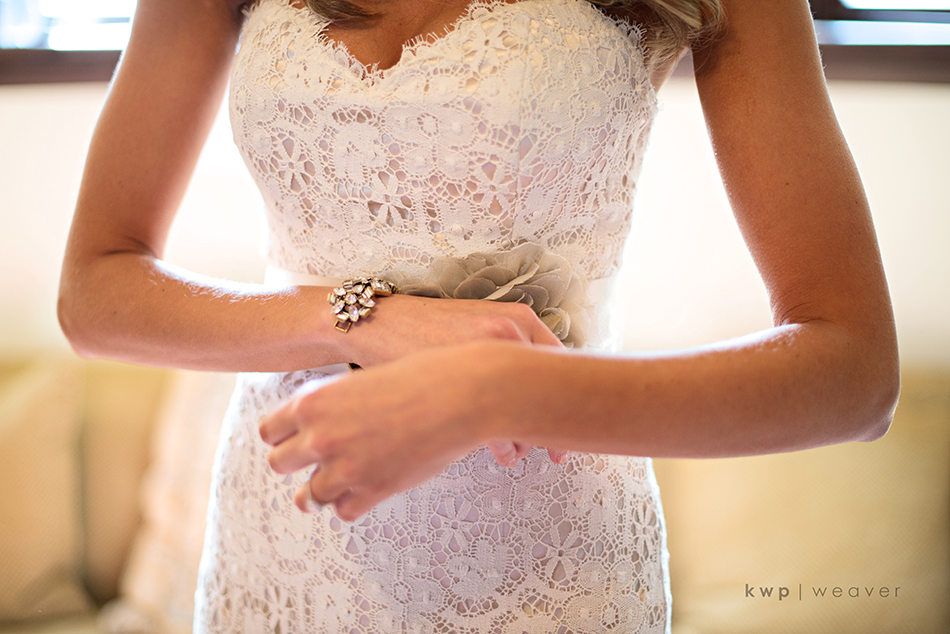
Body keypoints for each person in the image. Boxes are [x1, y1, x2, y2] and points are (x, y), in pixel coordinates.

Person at [58, 0, 900, 630]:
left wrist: (503, 389)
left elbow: (854, 375)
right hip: (288, 533)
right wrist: (358, 318)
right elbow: (95, 293)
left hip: (547, 564)